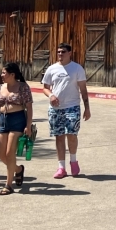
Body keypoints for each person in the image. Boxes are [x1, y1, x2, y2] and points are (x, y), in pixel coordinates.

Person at [41, 43, 90, 179]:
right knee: (59, 136)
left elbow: (83, 90)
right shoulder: (52, 69)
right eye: (58, 52)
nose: (60, 54)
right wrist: (51, 95)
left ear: (70, 53)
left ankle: (73, 162)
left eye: (63, 52)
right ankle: (61, 167)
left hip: (72, 106)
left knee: (72, 134)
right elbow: (45, 87)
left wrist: (87, 108)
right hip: (55, 109)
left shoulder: (77, 68)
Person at [0, 62, 33, 195]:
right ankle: (18, 170)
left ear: (12, 74)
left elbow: (29, 107)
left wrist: (28, 126)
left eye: (4, 73)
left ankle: (8, 185)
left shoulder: (23, 87)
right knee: (1, 155)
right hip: (3, 120)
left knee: (10, 153)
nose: (2, 75)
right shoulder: (0, 88)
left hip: (18, 120)